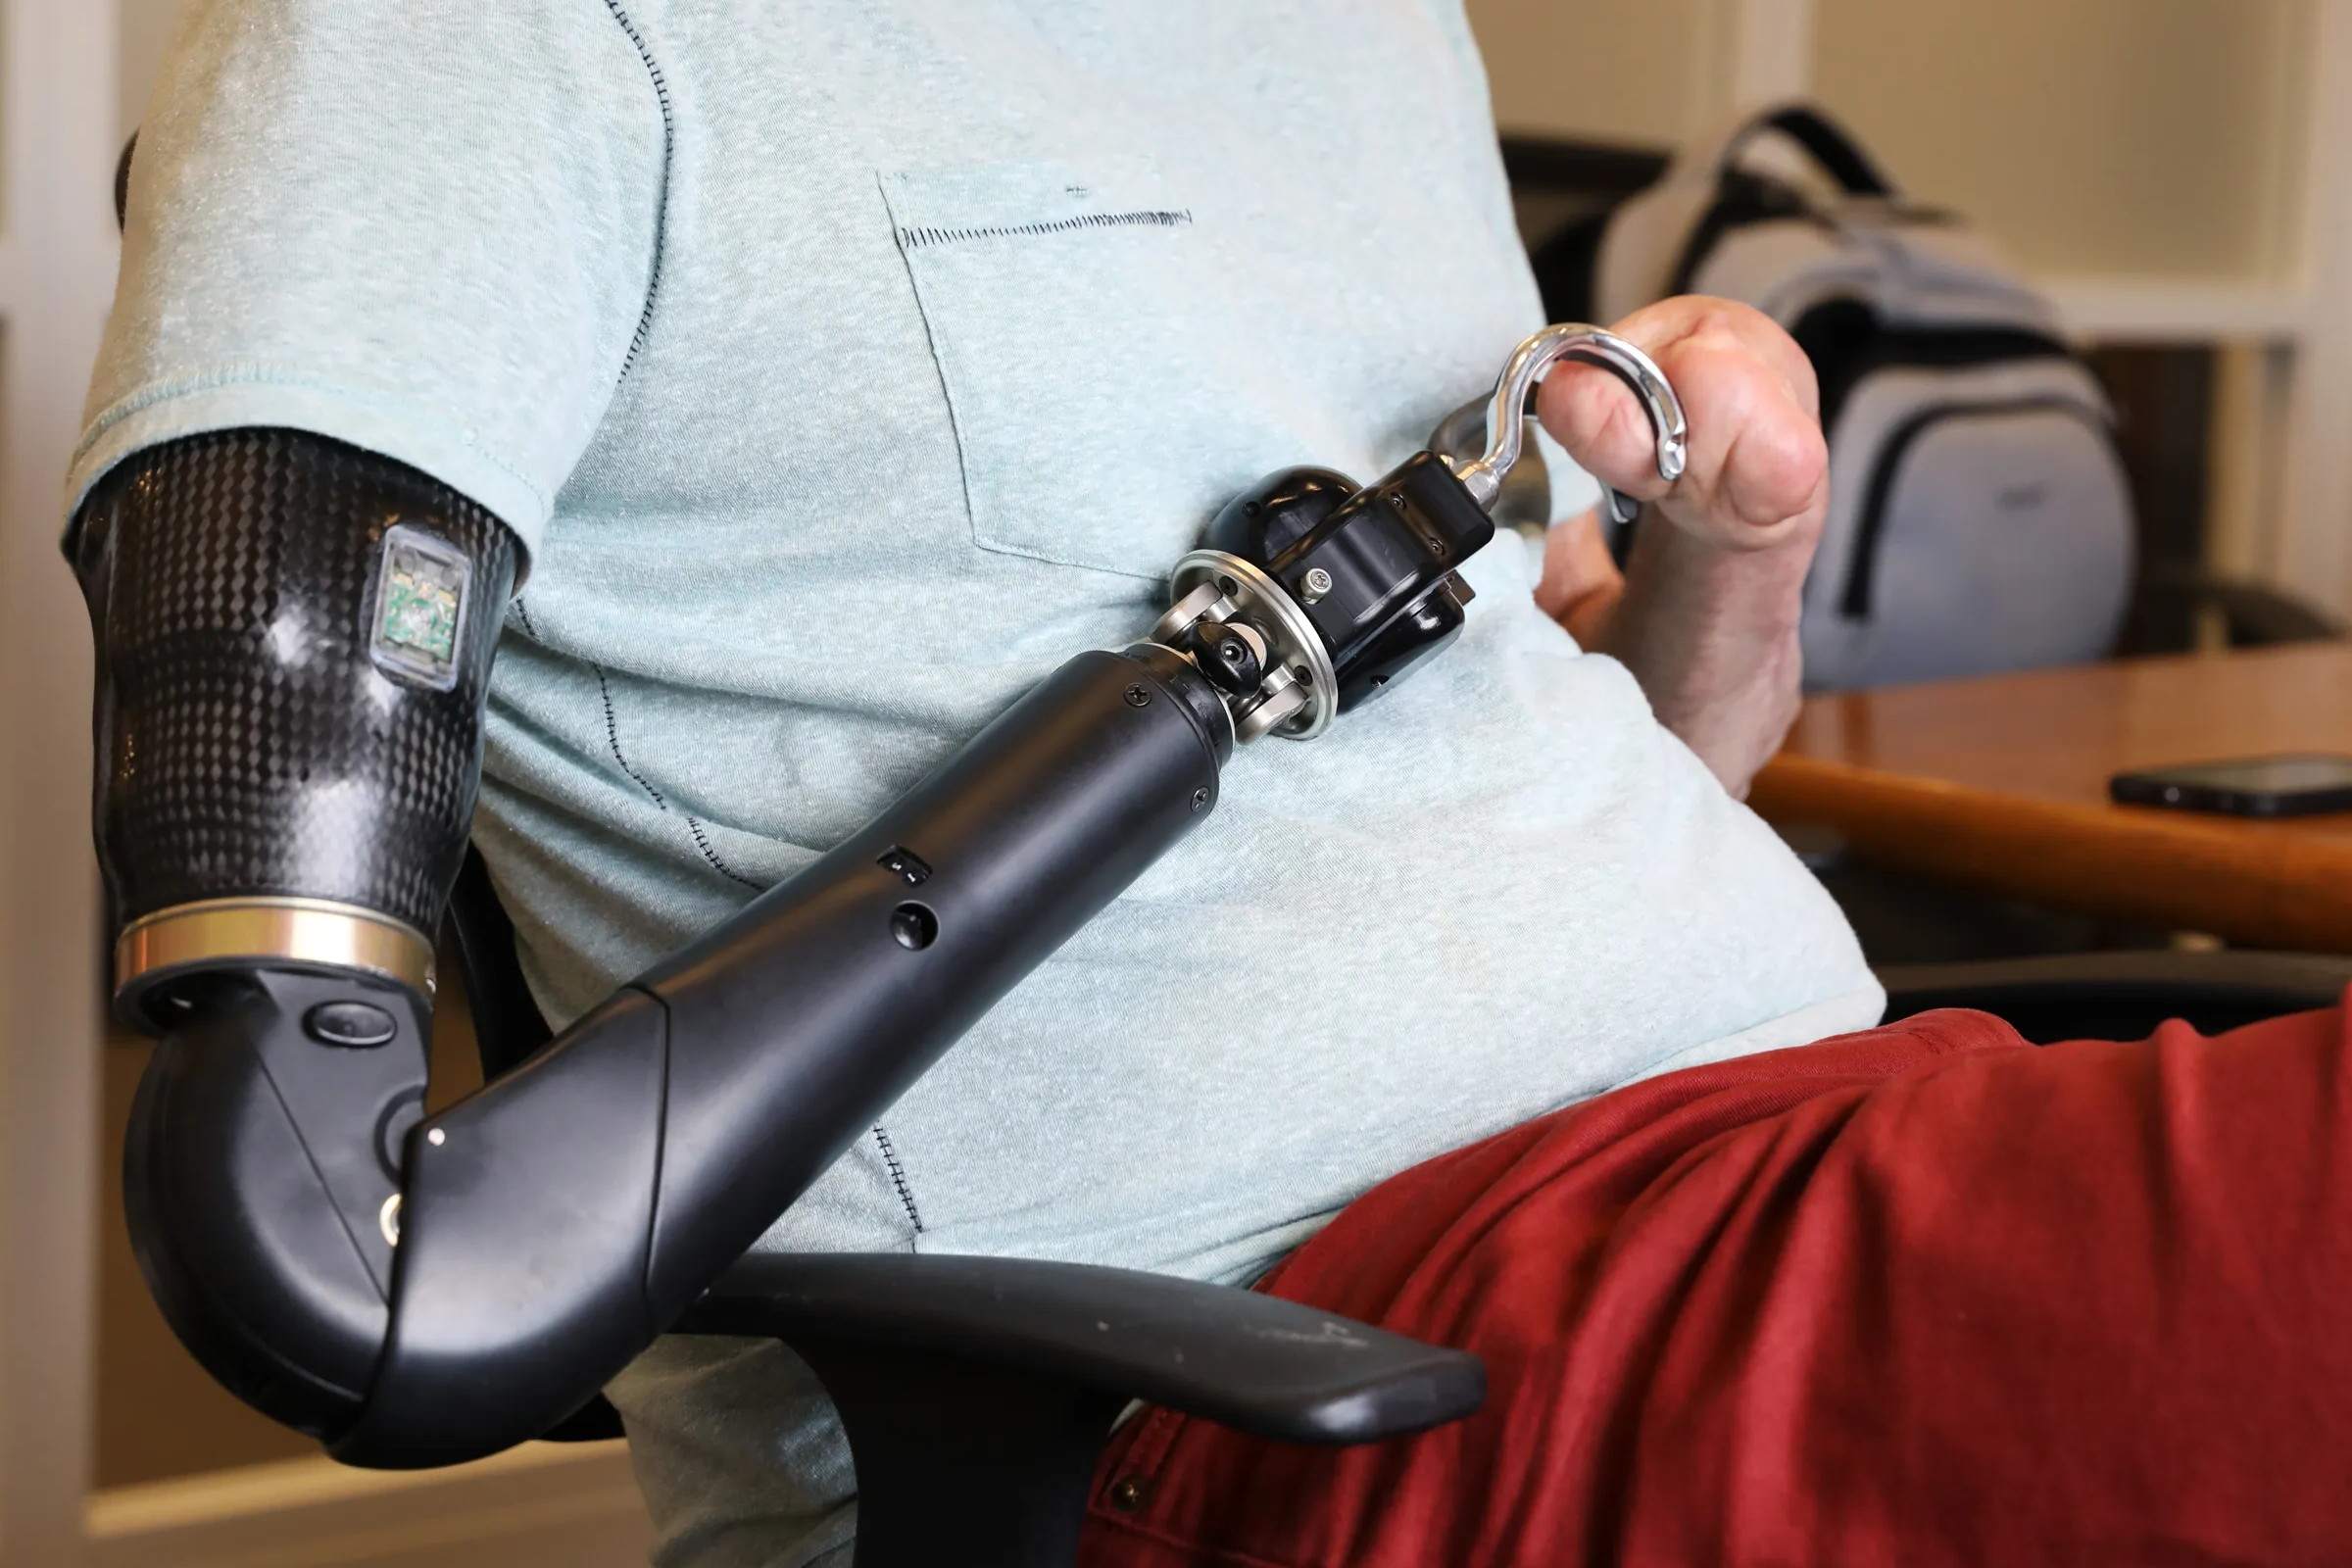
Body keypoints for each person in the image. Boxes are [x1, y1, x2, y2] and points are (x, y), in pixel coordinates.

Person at [79, 3, 2350, 1565]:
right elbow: (311, 1215)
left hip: (1820, 1155)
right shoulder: (459, 43)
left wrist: (1737, 553)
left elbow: (1560, 790)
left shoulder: (1368, 32)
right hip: (1322, 1380)